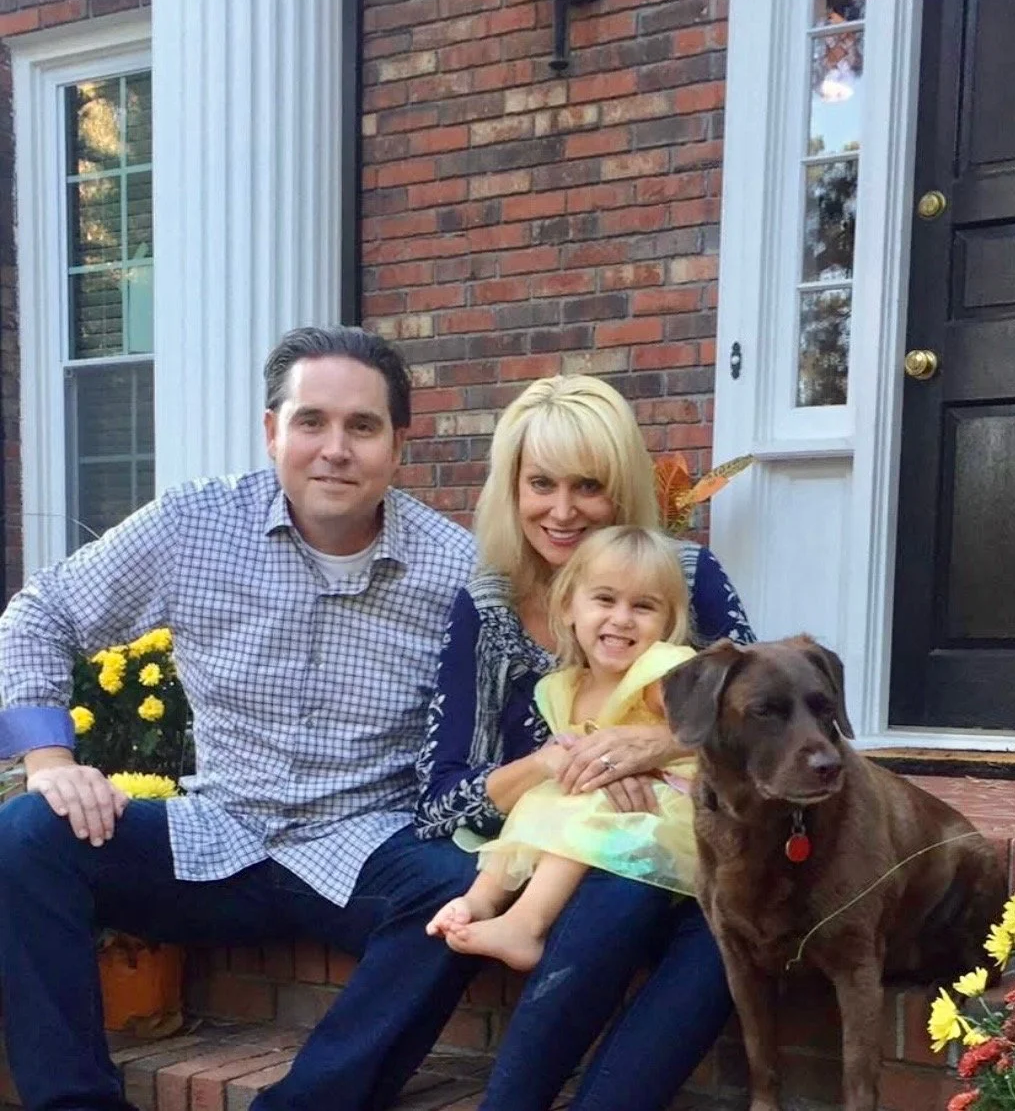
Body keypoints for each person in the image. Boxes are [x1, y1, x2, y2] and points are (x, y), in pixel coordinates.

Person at [0, 327, 480, 1111]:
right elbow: (40, 612)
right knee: (26, 836)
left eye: (362, 427)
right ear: (272, 431)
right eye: (311, 421)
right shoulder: (195, 526)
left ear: (399, 445)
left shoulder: (454, 568)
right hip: (215, 836)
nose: (334, 449)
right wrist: (52, 762)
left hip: (358, 848)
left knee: (456, 894)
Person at [415, 373, 756, 1111]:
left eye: (588, 486)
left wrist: (655, 748)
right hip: (555, 865)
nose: (562, 511)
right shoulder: (489, 605)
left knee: (729, 928)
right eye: (540, 483)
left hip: (697, 830)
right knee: (622, 891)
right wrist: (556, 769)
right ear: (511, 487)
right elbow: (441, 800)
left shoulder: (686, 575)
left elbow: (768, 719)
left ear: (622, 488)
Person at [426, 525, 699, 971]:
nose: (622, 618)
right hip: (609, 804)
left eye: (644, 606)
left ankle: (525, 926)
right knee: (541, 796)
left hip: (664, 807)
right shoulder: (564, 686)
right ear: (569, 606)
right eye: (605, 600)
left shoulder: (660, 674)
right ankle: (479, 901)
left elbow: (706, 734)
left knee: (579, 802)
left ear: (667, 624)